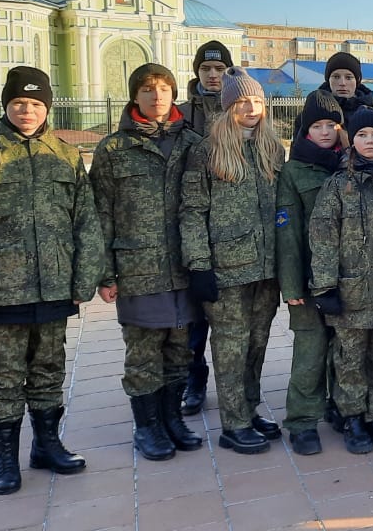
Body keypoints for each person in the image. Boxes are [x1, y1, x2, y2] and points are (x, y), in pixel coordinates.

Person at [0, 67, 104, 495]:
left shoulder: (63, 156)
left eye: (36, 104)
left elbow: (85, 220)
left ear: (48, 108)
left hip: (56, 285)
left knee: (48, 369)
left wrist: (83, 281)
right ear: (6, 105)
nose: (27, 111)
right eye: (19, 103)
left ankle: (47, 444)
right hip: (2, 290)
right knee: (4, 376)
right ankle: (5, 458)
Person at [90, 64, 204, 462]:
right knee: (142, 352)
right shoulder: (113, 149)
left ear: (174, 95)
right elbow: (100, 213)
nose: (157, 96)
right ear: (134, 96)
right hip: (137, 266)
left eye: (163, 89)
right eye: (147, 89)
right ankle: (147, 427)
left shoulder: (193, 143)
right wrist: (105, 272)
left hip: (184, 265)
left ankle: (172, 419)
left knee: (179, 349)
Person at [179, 67, 285, 455]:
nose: (251, 108)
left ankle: (249, 407)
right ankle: (233, 423)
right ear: (228, 108)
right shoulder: (206, 151)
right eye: (242, 102)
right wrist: (199, 265)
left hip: (266, 266)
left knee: (258, 341)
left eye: (256, 101)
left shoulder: (272, 147)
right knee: (230, 346)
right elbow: (191, 212)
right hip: (225, 268)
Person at [309, 107, 373, 455]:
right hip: (351, 289)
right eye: (362, 135)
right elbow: (322, 236)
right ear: (352, 139)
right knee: (349, 358)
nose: (369, 141)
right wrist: (325, 286)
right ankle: (353, 417)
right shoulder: (338, 184)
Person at [276, 90, 345, 456]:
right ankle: (302, 421)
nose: (324, 132)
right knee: (310, 351)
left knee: (343, 348)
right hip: (307, 279)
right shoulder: (294, 171)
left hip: (345, 278)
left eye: (331, 125)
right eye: (316, 125)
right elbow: (287, 231)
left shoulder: (349, 163)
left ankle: (339, 407)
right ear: (305, 129)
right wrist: (291, 284)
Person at [179, 40, 233, 415]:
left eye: (220, 70)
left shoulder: (239, 111)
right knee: (193, 321)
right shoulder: (181, 115)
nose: (213, 76)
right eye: (207, 70)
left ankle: (238, 390)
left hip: (233, 232)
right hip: (194, 224)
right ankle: (193, 383)